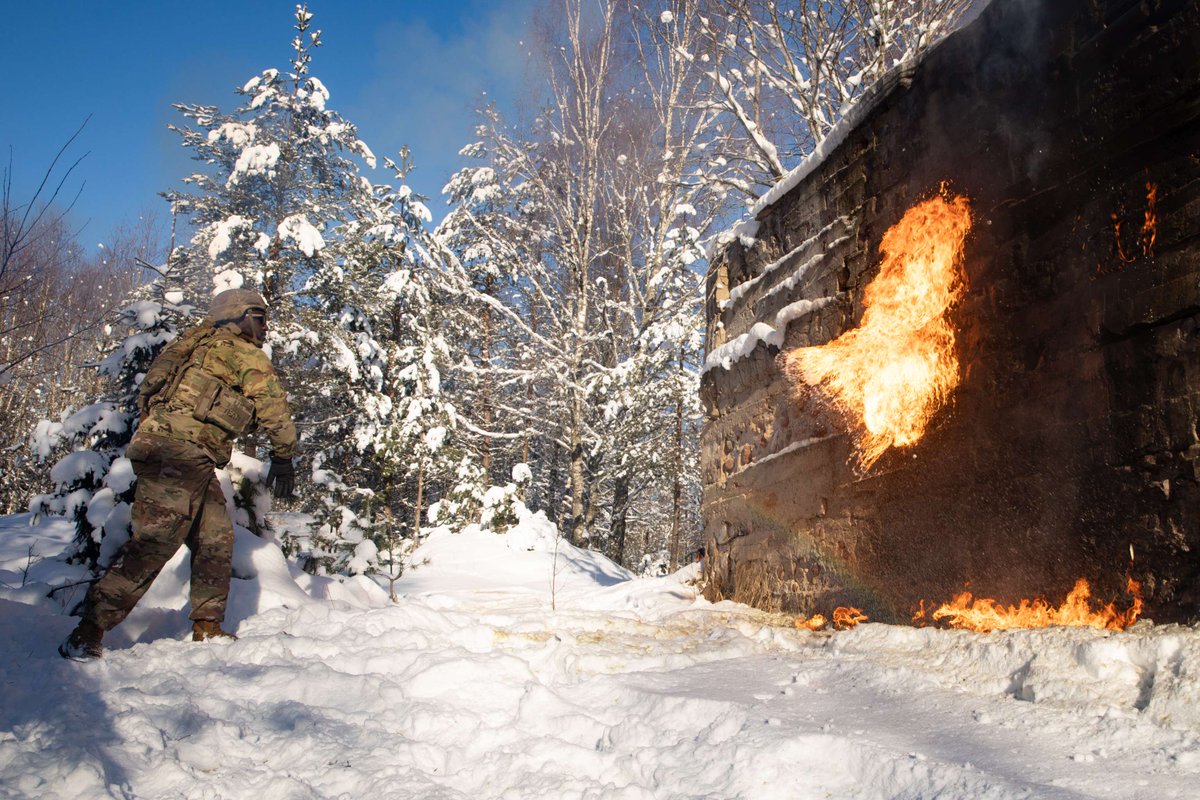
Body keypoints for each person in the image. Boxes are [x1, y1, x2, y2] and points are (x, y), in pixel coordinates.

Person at [59, 288, 298, 660]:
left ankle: (208, 626)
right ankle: (87, 631)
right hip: (179, 454)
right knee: (154, 542)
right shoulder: (240, 352)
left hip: (184, 454)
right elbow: (272, 406)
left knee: (215, 537)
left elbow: (150, 395)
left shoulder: (194, 348)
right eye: (260, 317)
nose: (267, 327)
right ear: (238, 316)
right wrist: (284, 456)